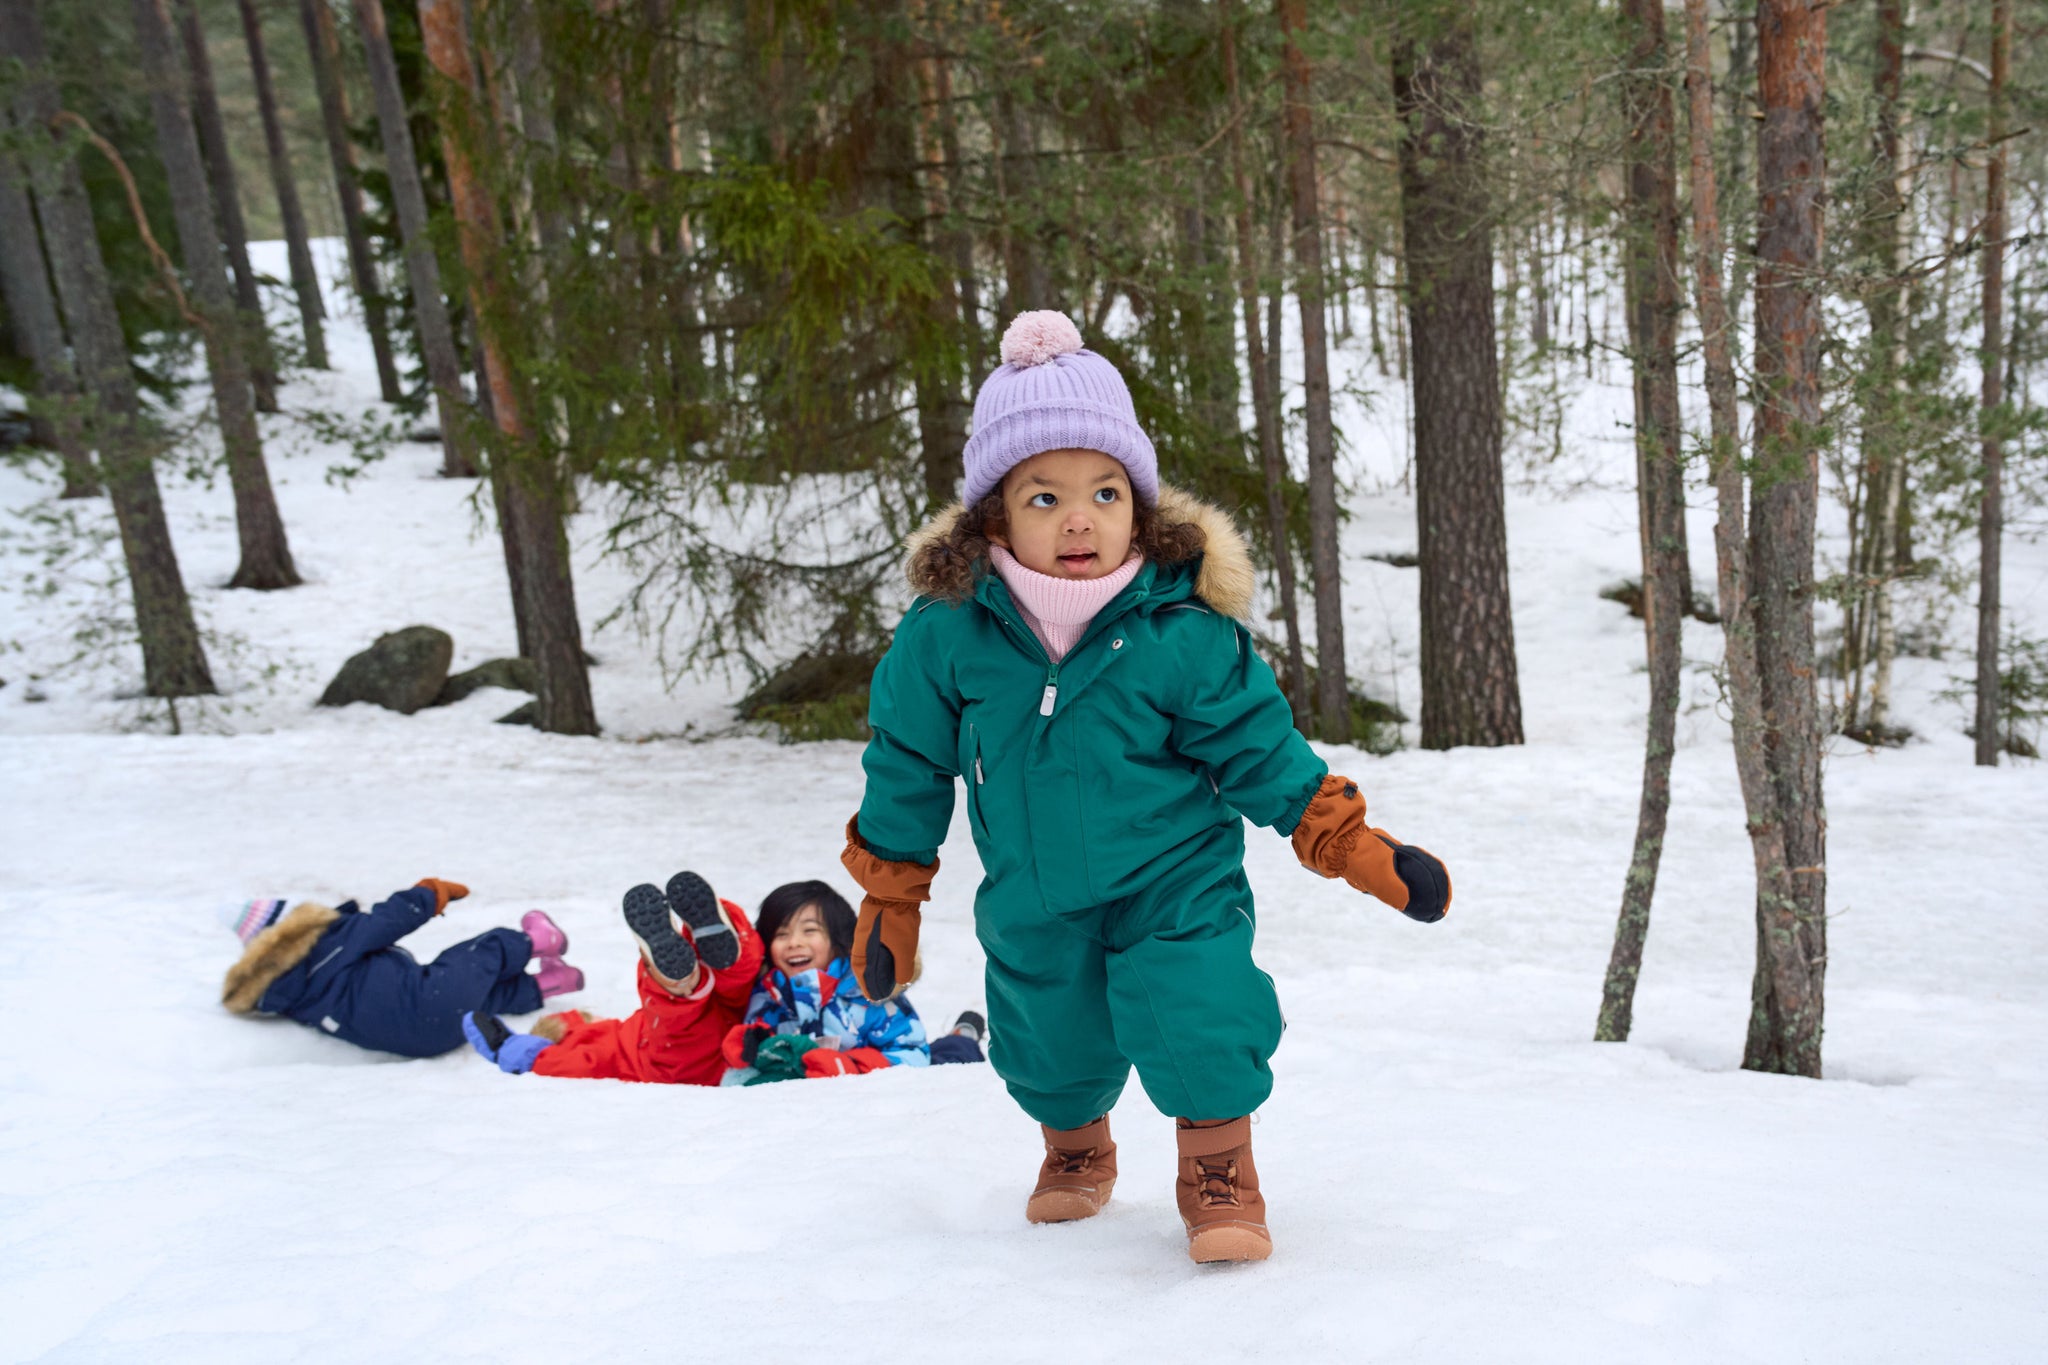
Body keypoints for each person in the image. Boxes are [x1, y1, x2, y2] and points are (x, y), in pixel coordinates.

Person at [838, 310, 1452, 1263]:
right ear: (994, 513)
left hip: (1176, 881)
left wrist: (1345, 839)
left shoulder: (1182, 632)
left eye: (1105, 491)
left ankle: (1220, 1172)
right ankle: (1074, 1150)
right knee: (1047, 1040)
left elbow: (1259, 747)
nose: (1079, 517)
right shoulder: (946, 634)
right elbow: (907, 762)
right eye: (1044, 496)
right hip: (1035, 888)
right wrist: (892, 894)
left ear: (1140, 504)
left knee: (1203, 1008)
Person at [462, 873, 984, 1083]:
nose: (795, 942)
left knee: (948, 1052)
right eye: (782, 933)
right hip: (697, 1035)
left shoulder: (868, 993)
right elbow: (748, 1034)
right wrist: (756, 1049)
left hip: (673, 1039)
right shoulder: (773, 988)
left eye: (809, 932)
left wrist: (519, 1052)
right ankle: (712, 952)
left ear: (841, 941)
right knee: (734, 984)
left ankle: (700, 961)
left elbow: (906, 1054)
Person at [220, 879, 583, 1058]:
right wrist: (429, 893)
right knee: (476, 956)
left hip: (413, 1042)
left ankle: (549, 983)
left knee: (477, 996)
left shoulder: (285, 994)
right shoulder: (329, 941)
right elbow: (386, 921)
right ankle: (539, 941)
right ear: (295, 926)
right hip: (426, 998)